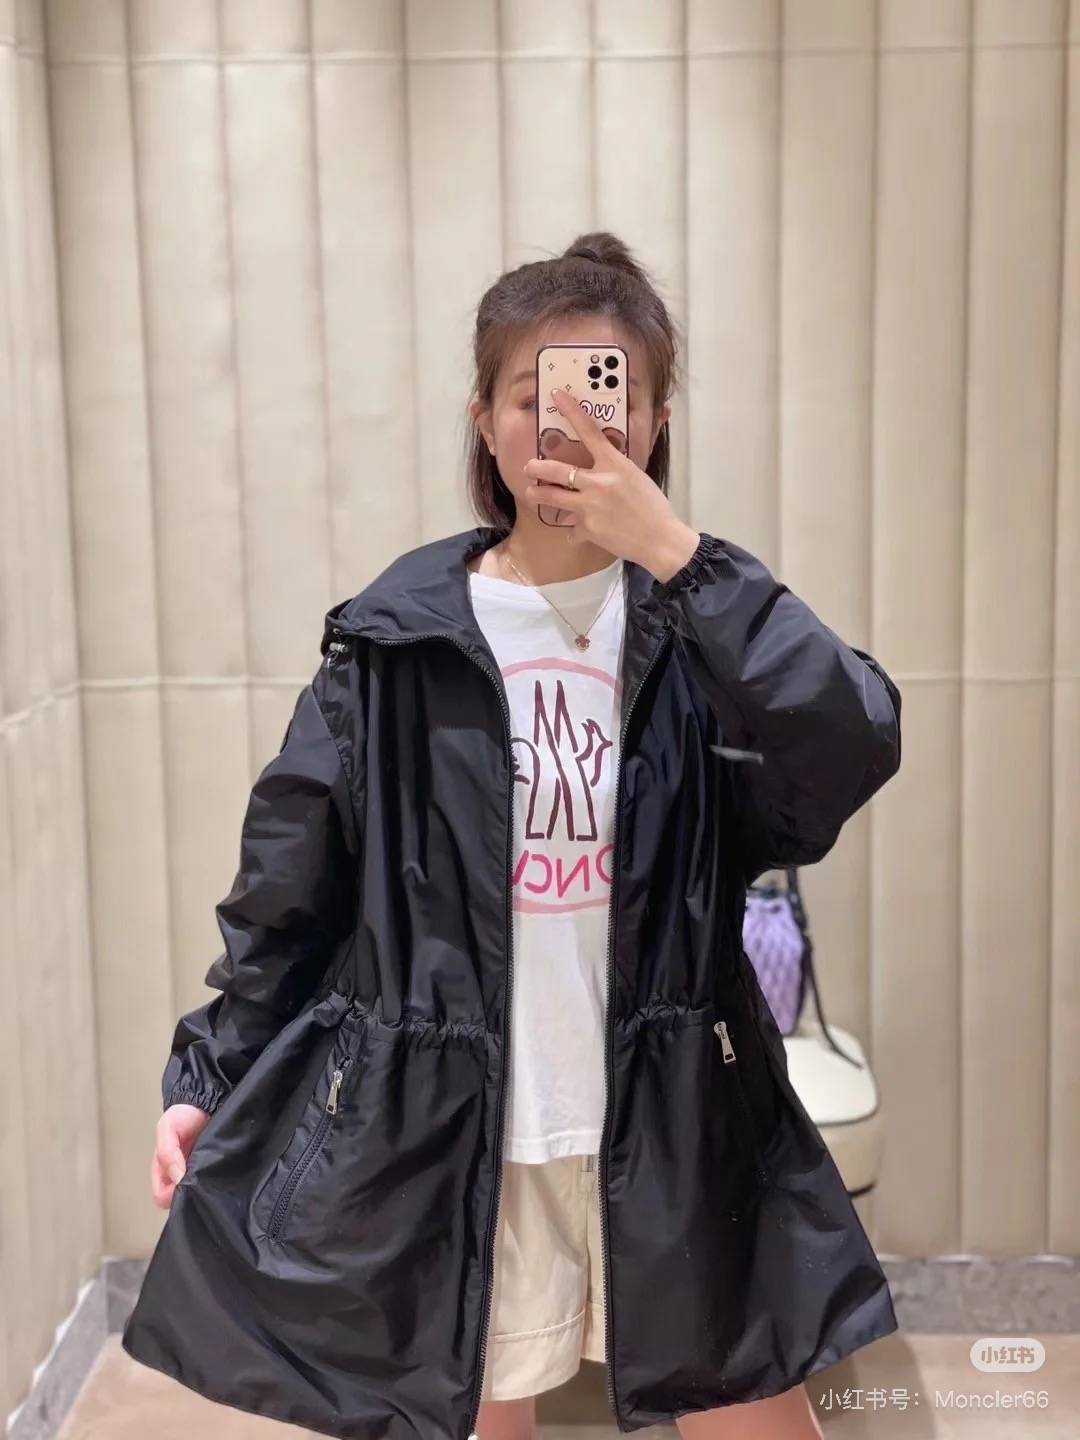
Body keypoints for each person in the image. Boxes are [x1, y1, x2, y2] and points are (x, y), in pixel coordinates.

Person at [123, 233, 902, 1440]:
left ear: (653, 422)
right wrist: (208, 1079)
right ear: (483, 419)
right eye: (534, 397)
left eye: (604, 396)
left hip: (678, 1119)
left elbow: (852, 739)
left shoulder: (698, 631)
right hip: (459, 1132)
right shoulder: (393, 646)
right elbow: (288, 890)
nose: (568, 427)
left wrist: (678, 555)